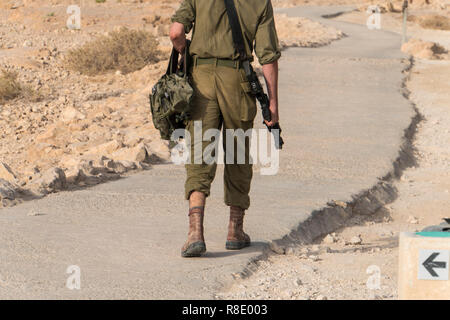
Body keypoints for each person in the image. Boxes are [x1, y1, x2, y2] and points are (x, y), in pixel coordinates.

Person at [169, 0, 281, 257]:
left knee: (201, 154)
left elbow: (176, 32)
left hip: (200, 82)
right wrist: (272, 104)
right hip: (238, 82)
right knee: (238, 153)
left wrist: (183, 50)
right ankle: (234, 230)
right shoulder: (260, 3)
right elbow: (268, 57)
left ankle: (195, 232)